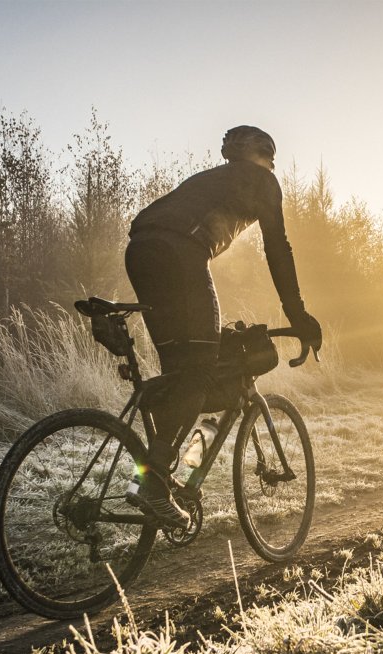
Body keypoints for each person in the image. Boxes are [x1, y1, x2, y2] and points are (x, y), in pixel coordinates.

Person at [124, 125, 321, 529]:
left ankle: (154, 470)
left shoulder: (214, 180)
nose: (273, 167)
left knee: (183, 374)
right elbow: (277, 247)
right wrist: (298, 314)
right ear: (264, 156)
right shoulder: (262, 180)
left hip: (142, 249)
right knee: (198, 371)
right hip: (178, 251)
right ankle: (154, 485)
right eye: (272, 159)